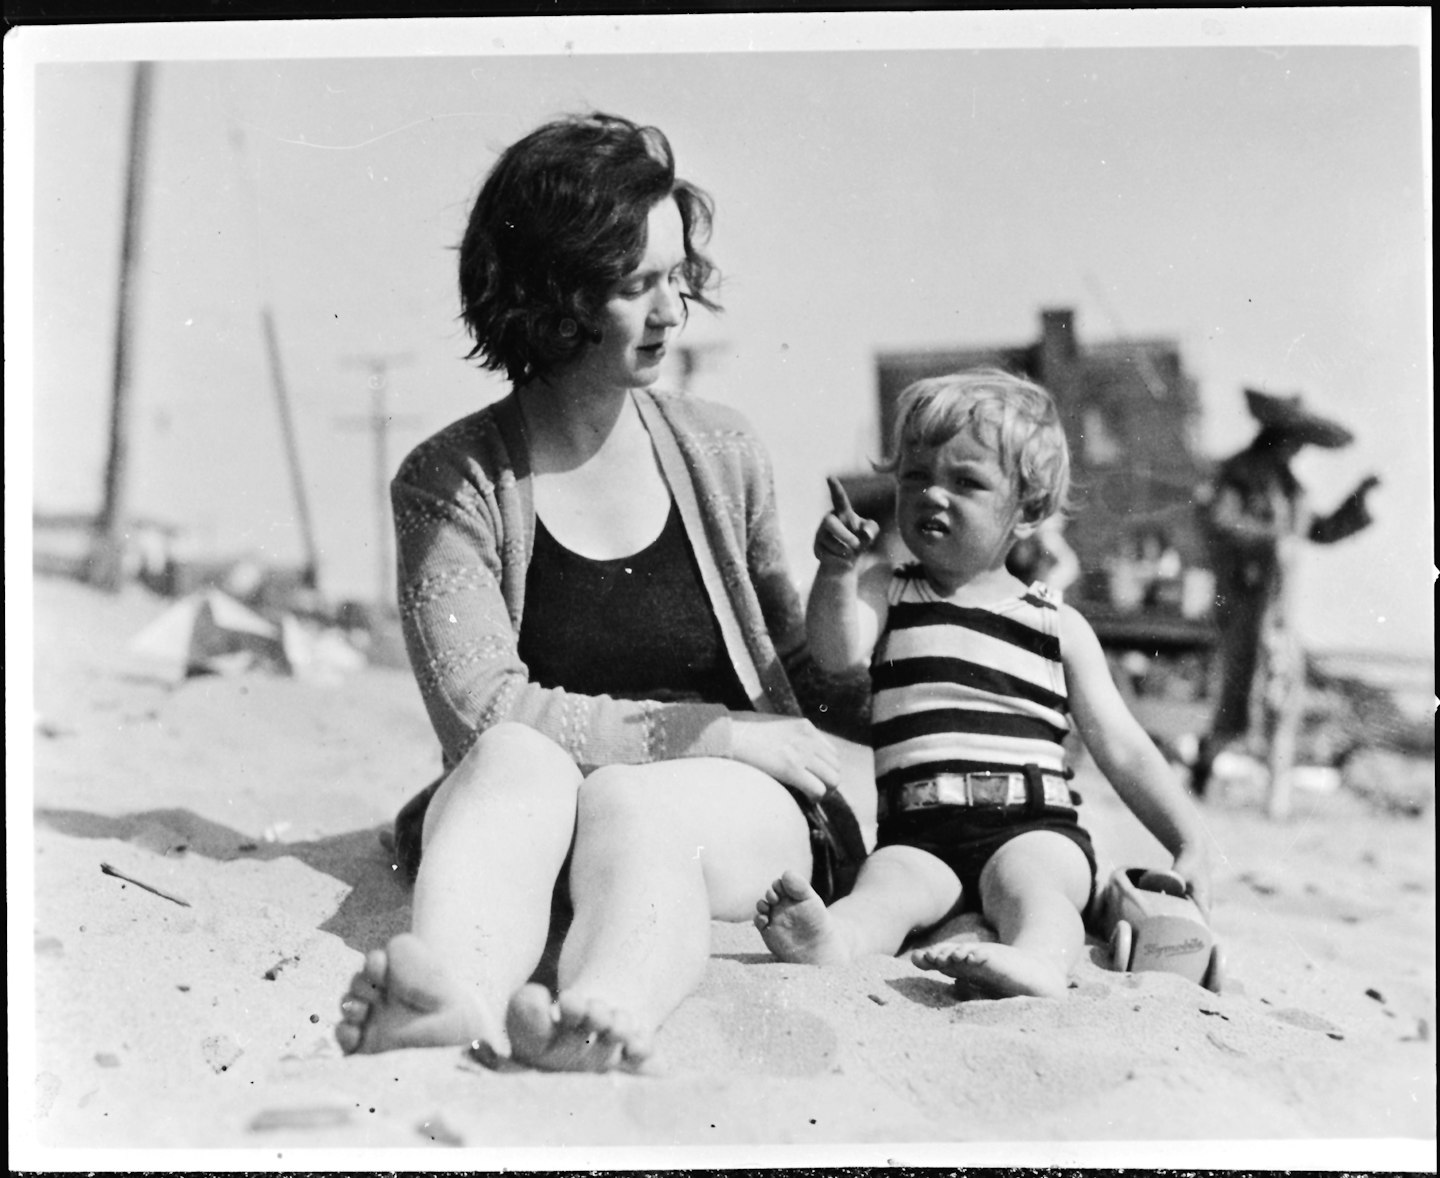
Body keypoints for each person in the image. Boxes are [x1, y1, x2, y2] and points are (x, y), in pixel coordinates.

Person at [334, 113, 867, 1072]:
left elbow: (799, 680)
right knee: (508, 754)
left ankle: (606, 1008)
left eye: (677, 279)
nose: (672, 313)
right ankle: (451, 993)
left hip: (730, 811)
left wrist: (871, 626)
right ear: (551, 299)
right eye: (637, 286)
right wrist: (713, 730)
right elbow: (482, 712)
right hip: (550, 816)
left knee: (631, 798)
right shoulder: (450, 481)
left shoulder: (722, 449)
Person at [753, 369, 1211, 1000]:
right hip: (919, 830)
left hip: (1034, 824)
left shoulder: (1056, 624)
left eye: (965, 481)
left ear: (1028, 510)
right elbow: (836, 653)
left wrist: (1187, 838)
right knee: (886, 890)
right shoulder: (887, 589)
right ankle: (834, 940)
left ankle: (1039, 962)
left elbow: (1124, 748)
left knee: (1036, 891)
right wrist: (835, 572)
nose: (932, 495)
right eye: (916, 476)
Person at [1192, 388, 1378, 818]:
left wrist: (1357, 501)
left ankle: (1276, 803)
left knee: (1282, 697)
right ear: (1279, 435)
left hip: (1279, 613)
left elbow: (1319, 530)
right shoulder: (1238, 475)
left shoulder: (1290, 487)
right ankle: (1207, 765)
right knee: (1239, 696)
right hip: (1243, 605)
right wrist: (1268, 542)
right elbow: (1220, 523)